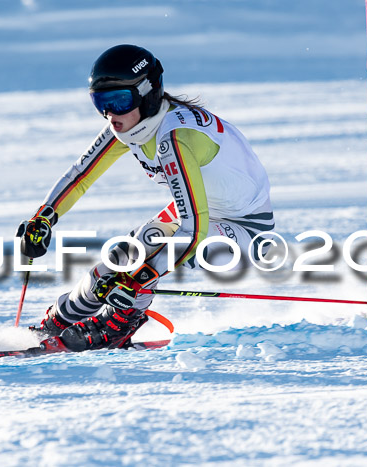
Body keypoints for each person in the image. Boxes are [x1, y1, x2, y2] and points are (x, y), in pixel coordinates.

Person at [17, 44, 274, 351]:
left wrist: (142, 277)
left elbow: (193, 232)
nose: (110, 114)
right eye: (101, 102)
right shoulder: (131, 125)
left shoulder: (175, 138)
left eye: (120, 100)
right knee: (123, 254)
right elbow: (80, 175)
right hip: (202, 214)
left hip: (245, 233)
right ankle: (57, 322)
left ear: (148, 94)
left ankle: (119, 325)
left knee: (148, 245)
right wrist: (44, 217)